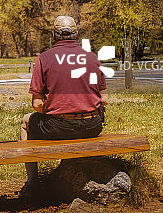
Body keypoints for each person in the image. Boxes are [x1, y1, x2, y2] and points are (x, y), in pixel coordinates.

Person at [19, 15, 108, 198]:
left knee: (25, 122)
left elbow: (36, 104)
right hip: (92, 126)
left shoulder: (45, 59)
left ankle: (32, 183)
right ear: (76, 34)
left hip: (59, 127)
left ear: (54, 35)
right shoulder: (91, 58)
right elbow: (104, 100)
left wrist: (53, 108)